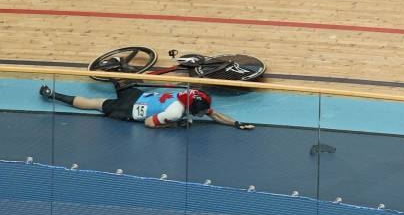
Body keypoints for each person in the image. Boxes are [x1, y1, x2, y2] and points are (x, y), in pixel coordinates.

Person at [38, 82, 254, 130]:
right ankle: (53, 95)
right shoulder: (175, 111)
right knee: (95, 104)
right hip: (128, 110)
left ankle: (54, 94)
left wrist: (236, 123)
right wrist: (174, 125)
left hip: (139, 96)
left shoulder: (189, 94)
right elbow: (150, 123)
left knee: (121, 82)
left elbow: (214, 114)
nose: (204, 113)